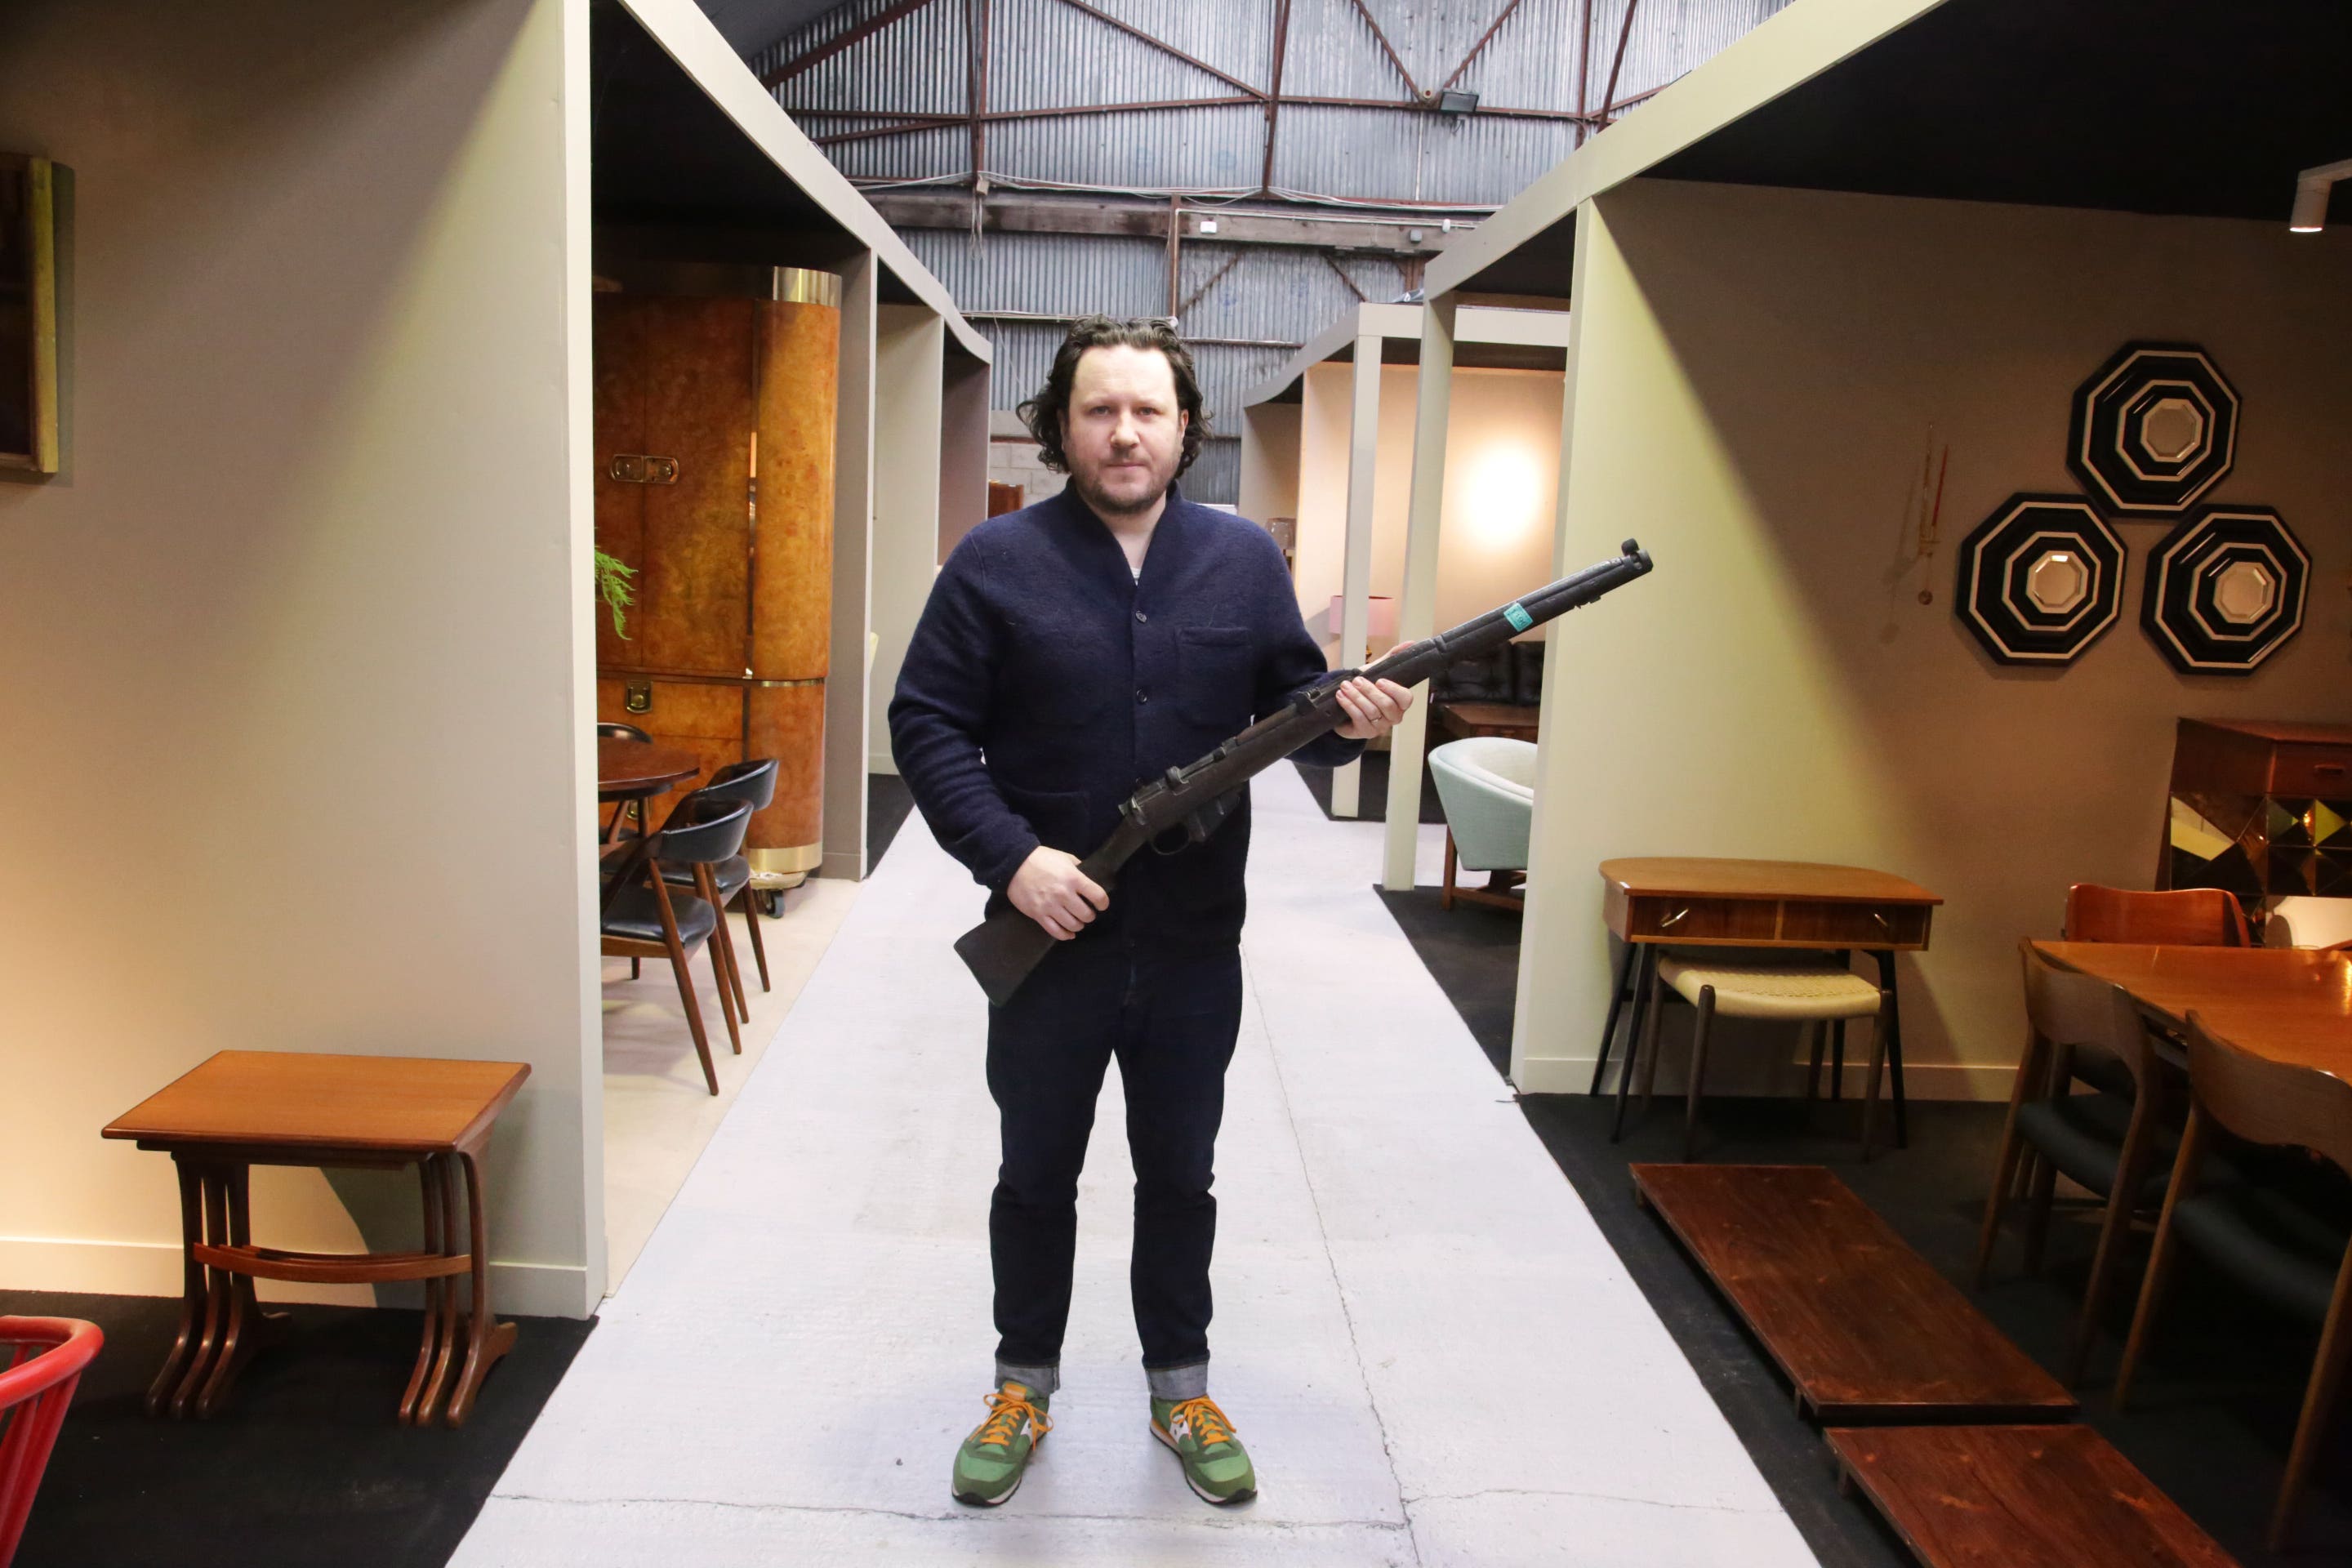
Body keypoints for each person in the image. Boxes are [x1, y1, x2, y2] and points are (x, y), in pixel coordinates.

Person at [889, 316, 1413, 1508]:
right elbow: (926, 725)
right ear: (1062, 426)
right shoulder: (994, 560)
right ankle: (1023, 1385)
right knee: (1035, 1176)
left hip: (1190, 953)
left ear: (1185, 428)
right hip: (1050, 947)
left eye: (1148, 411)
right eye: (1098, 410)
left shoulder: (1240, 562)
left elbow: (1293, 708)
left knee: (1181, 1176)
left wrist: (1350, 717)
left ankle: (1182, 1385)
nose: (1124, 432)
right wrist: (1014, 861)